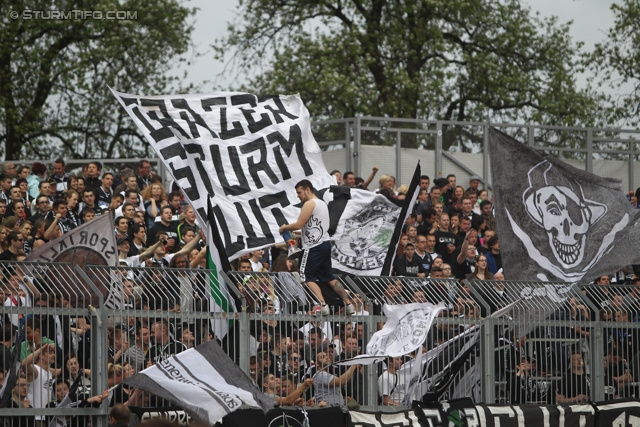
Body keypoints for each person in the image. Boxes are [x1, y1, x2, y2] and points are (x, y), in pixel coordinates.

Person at [279, 180, 355, 315]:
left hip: (313, 247)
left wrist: (284, 227)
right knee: (329, 277)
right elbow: (313, 227)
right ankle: (349, 304)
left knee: (306, 276)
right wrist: (299, 233)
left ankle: (323, 305)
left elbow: (298, 224)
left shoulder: (310, 203)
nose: (298, 196)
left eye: (299, 192)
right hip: (324, 244)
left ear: (307, 189)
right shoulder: (322, 204)